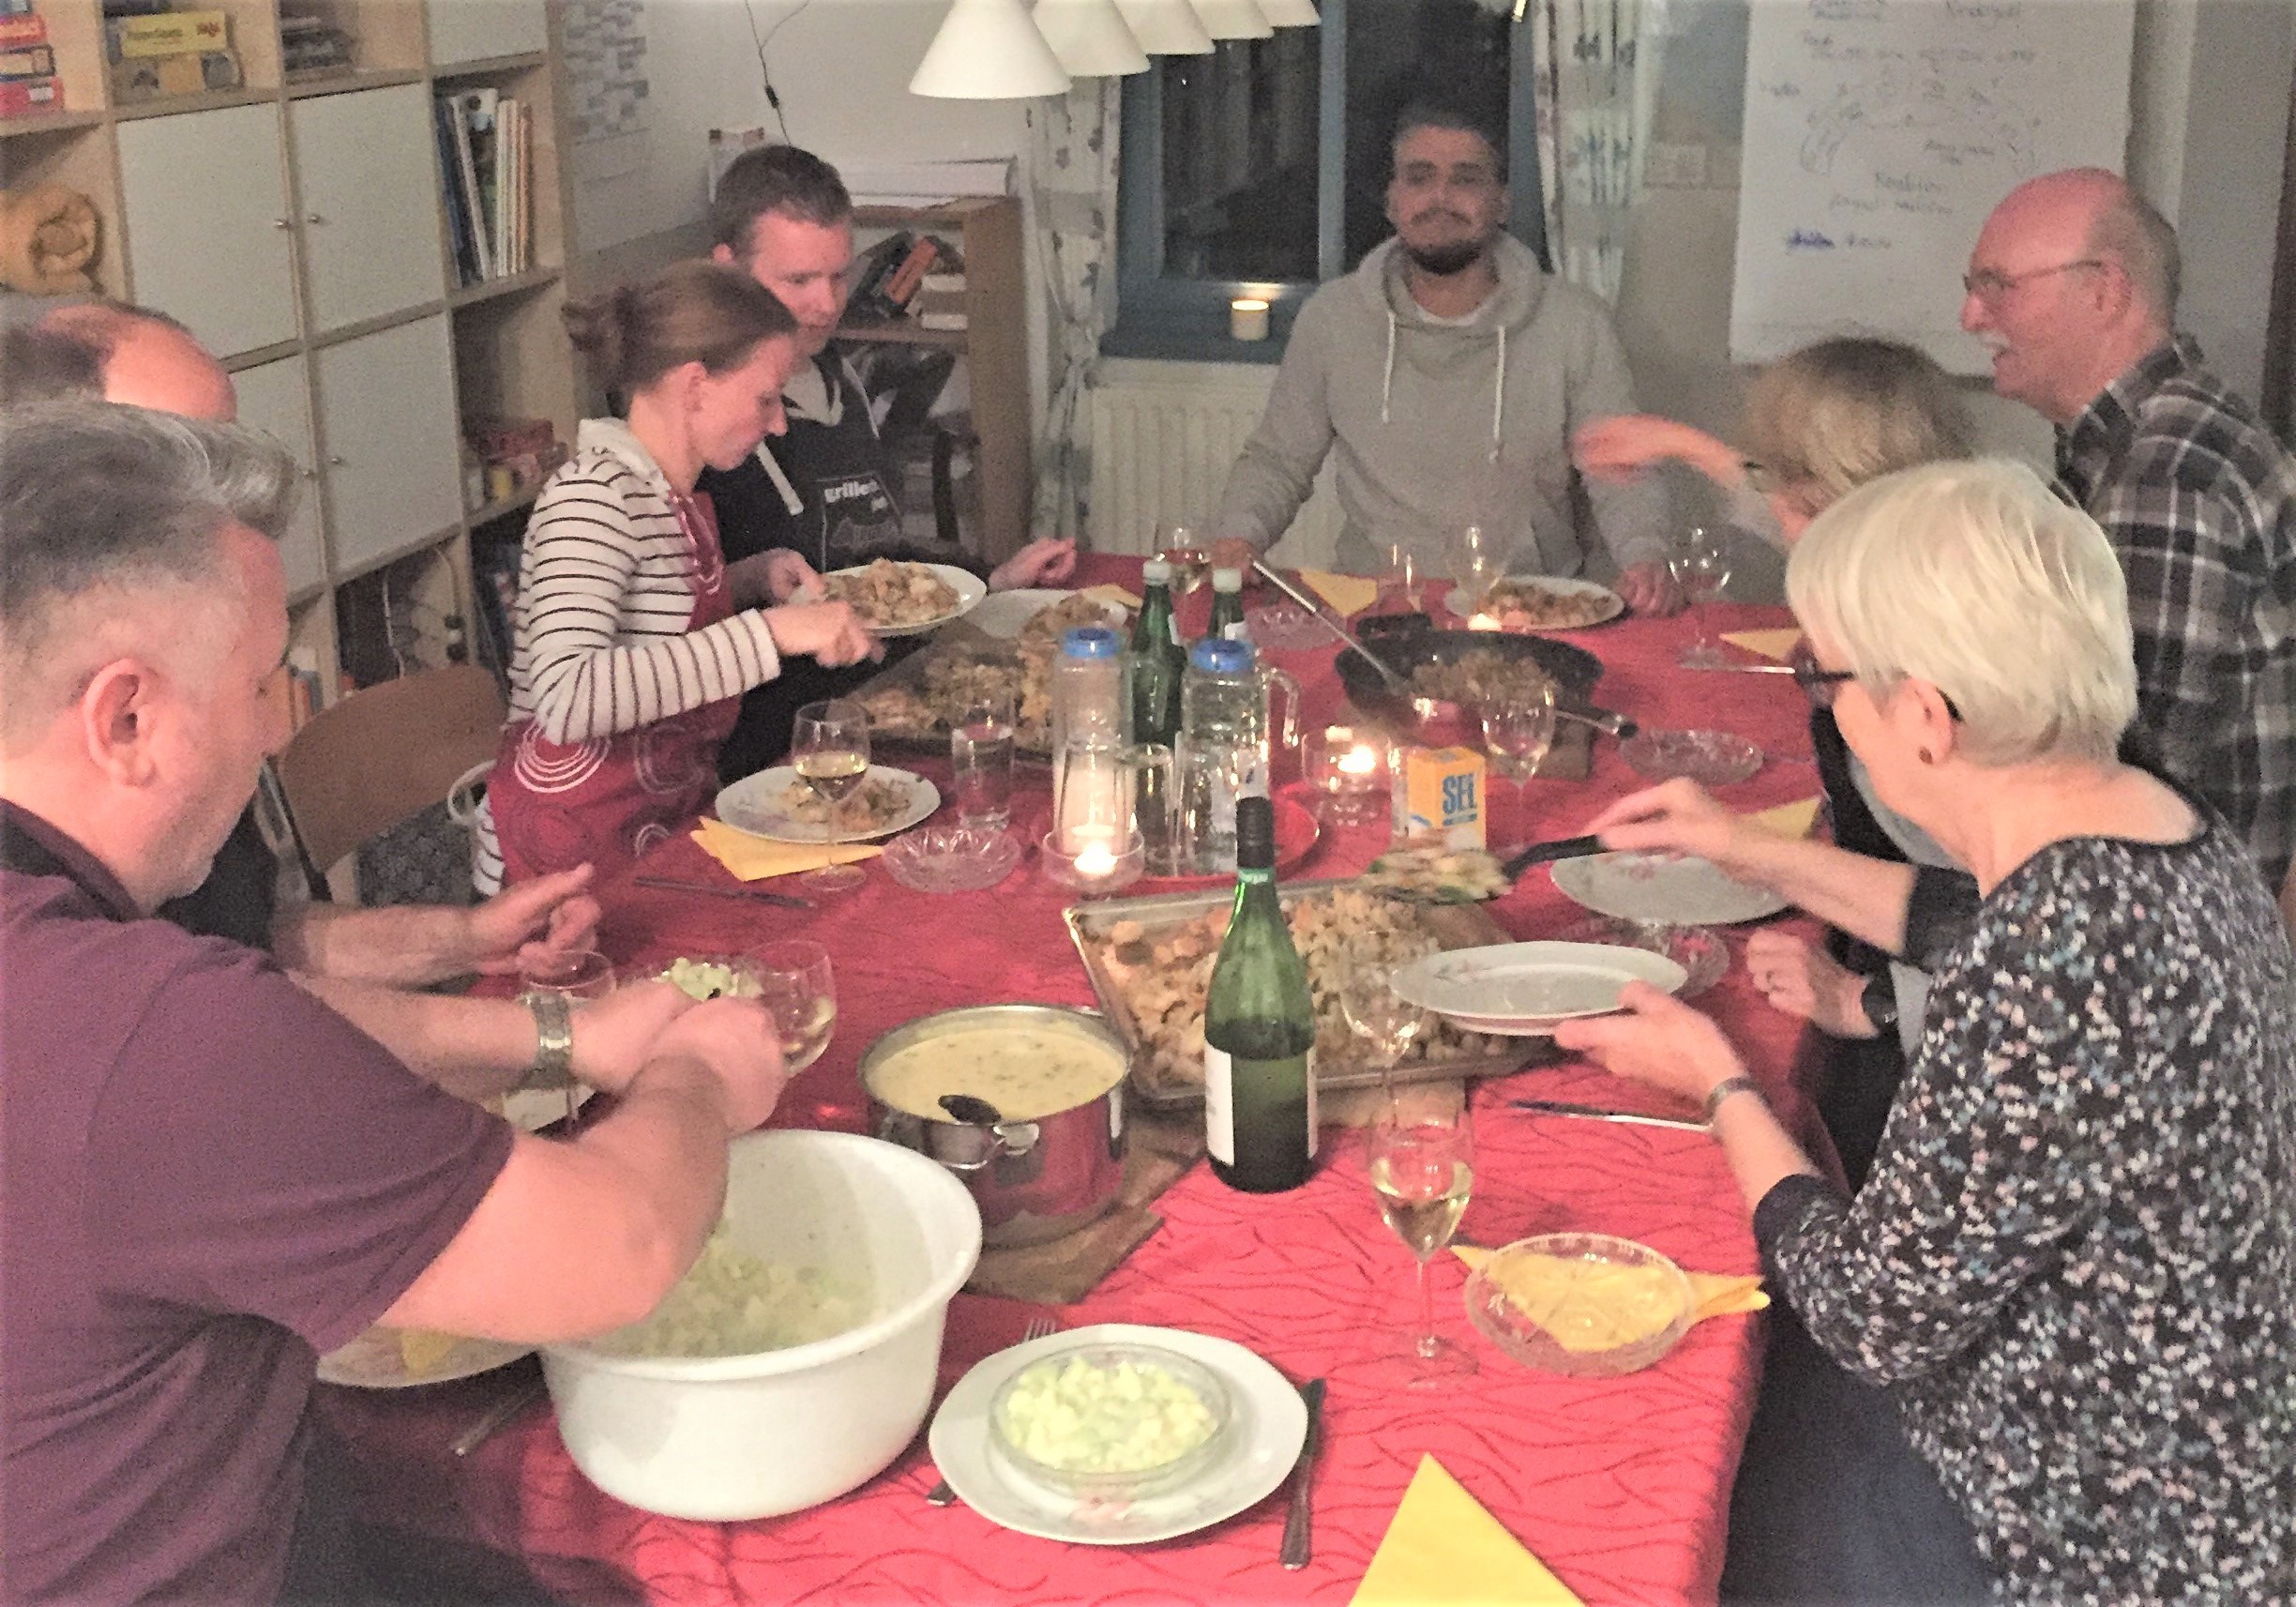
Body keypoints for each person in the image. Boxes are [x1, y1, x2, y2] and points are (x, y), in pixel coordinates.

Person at [0, 401, 789, 1602]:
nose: (278, 731)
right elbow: (615, 1249)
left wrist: (561, 1035)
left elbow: (265, 1014)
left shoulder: (94, 968)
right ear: (126, 718)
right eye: (261, 686)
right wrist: (698, 1074)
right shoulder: (148, 1028)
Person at [1558, 460, 2295, 1601]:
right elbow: (1967, 921)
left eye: (1824, 674)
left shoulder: (2056, 954)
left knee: (1665, 1451)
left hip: (2096, 1530)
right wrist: (1741, 846)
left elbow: (1866, 1314)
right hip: (2208, 1452)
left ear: (1922, 718)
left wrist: (1721, 1084)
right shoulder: (2157, 827)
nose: (1822, 704)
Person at [0, 304, 633, 1113]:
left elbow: (249, 939)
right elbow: (228, 1028)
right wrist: (556, 1040)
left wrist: (468, 938)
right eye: (188, 458)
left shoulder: (194, 701)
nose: (240, 499)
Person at [1575, 338, 1976, 1178]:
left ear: (1824, 500)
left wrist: (1871, 1004)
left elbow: (2005, 927)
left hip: (1943, 1056)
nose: (1767, 503)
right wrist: (1684, 446)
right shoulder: (1935, 554)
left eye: (1782, 485)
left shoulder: (1915, 667)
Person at [473, 260, 878, 892]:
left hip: (651, 826)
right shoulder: (593, 497)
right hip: (560, 863)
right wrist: (772, 634)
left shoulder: (665, 495)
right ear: (695, 386)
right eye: (766, 398)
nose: (778, 423)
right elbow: (566, 696)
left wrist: (749, 579)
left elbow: (649, 621)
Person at [1962, 167, 2296, 894]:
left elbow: (2121, 761)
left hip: (2176, 917)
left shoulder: (2170, 469)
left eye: (1997, 286)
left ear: (2106, 291)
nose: (1971, 315)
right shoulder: (2147, 435)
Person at [1207, 97, 1677, 610]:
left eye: (1466, 179)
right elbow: (1278, 460)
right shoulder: (1333, 318)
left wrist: (1644, 556)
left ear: (1502, 202)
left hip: (1531, 607)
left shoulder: (1576, 323)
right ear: (1392, 201)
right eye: (1420, 178)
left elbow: (1622, 470)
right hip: (1377, 606)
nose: (1441, 198)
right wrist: (1240, 535)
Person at [701, 144, 1077, 780]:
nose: (828, 304)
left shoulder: (842, 379)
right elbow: (688, 620)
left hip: (879, 715)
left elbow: (877, 554)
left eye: (838, 276)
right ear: (727, 270)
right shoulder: (711, 422)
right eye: (799, 281)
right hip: (774, 751)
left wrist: (990, 580)